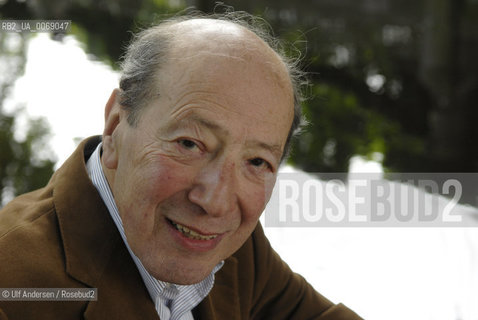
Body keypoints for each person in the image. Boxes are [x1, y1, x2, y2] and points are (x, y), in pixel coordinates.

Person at [0, 11, 362, 320]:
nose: (216, 202)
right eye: (190, 144)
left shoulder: (238, 249)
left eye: (256, 161)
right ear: (114, 129)